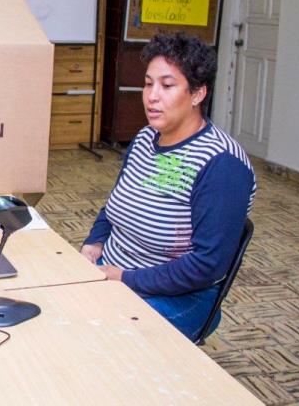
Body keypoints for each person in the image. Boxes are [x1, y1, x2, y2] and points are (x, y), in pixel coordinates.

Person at [80, 32, 256, 342]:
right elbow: (117, 204)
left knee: (94, 336)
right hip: (116, 271)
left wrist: (125, 278)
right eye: (148, 84)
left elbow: (207, 266)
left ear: (198, 93)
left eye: (167, 85)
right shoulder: (145, 138)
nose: (152, 96)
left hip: (179, 296)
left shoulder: (222, 164)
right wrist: (94, 243)